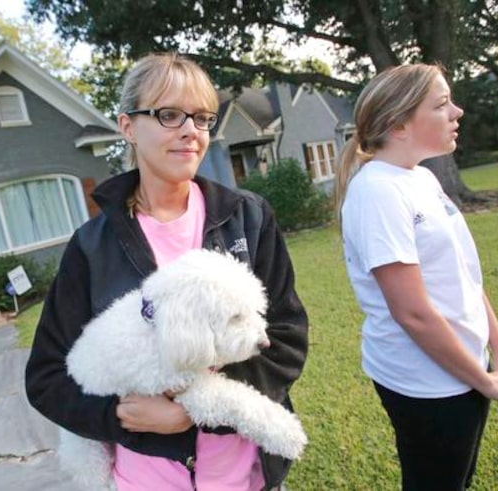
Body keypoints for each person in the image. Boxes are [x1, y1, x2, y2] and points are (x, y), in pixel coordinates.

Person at [25, 52, 309, 490]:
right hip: (145, 479)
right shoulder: (91, 247)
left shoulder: (247, 218)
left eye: (201, 118)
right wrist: (120, 416)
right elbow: (45, 378)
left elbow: (286, 335)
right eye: (169, 115)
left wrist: (191, 410)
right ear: (128, 127)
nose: (191, 132)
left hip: (244, 475)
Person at [335, 63, 498, 490]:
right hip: (426, 380)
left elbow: (465, 277)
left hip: (463, 367)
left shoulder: (421, 178)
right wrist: (482, 380)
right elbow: (412, 313)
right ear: (398, 125)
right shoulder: (377, 191)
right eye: (442, 104)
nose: (457, 112)